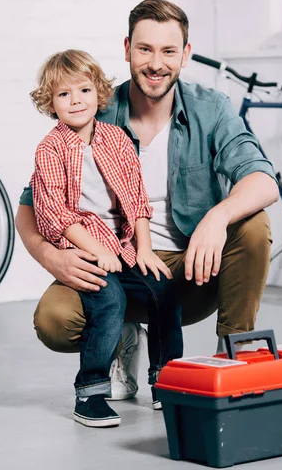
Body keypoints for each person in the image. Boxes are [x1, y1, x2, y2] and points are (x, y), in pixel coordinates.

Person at [16, 0, 279, 402]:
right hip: (110, 263)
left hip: (191, 272)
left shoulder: (211, 109)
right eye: (145, 49)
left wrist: (216, 219)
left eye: (168, 51)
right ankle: (123, 337)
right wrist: (49, 255)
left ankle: (235, 355)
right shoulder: (92, 110)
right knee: (55, 320)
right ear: (127, 49)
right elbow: (31, 207)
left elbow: (264, 180)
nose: (156, 63)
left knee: (253, 223)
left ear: (185, 55)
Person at [29, 50, 183, 427]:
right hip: (82, 246)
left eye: (84, 90)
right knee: (109, 299)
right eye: (64, 95)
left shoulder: (116, 138)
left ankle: (166, 378)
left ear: (99, 93)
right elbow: (55, 214)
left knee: (163, 287)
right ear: (51, 103)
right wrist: (97, 250)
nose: (76, 100)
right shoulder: (50, 149)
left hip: (123, 245)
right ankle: (91, 392)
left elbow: (136, 197)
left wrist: (144, 249)